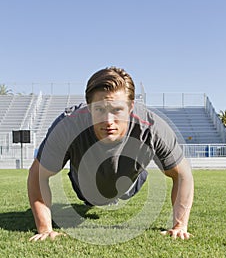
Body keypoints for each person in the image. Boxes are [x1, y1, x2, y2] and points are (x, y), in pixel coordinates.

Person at [28, 66, 194, 241]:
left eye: (116, 110)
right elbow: (37, 174)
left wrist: (180, 226)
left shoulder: (151, 128)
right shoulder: (68, 125)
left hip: (129, 184)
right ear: (89, 107)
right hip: (85, 187)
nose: (108, 121)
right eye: (99, 109)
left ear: (130, 107)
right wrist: (45, 228)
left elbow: (183, 174)